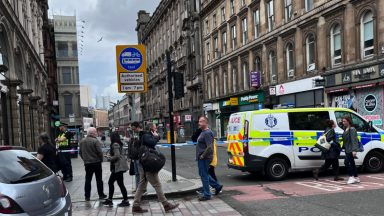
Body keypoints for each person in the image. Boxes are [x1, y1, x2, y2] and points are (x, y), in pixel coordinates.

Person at [131, 121, 179, 213]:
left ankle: (135, 205)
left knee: (142, 185)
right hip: (149, 164)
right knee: (157, 184)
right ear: (151, 129)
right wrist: (157, 136)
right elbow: (152, 142)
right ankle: (166, 204)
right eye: (155, 127)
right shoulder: (146, 135)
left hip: (144, 163)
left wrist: (156, 137)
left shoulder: (144, 135)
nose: (156, 128)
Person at [196, 116, 223, 201]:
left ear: (205, 123)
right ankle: (217, 186)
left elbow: (209, 147)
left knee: (204, 175)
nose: (199, 123)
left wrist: (202, 156)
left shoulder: (207, 133)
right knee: (204, 174)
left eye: (200, 121)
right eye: (199, 121)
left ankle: (207, 194)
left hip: (205, 158)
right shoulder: (203, 132)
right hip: (202, 158)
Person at [79, 127, 107, 201]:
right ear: (91, 133)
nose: (96, 133)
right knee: (99, 179)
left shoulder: (82, 141)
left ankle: (87, 196)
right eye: (95, 132)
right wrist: (101, 160)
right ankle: (101, 194)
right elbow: (100, 152)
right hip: (96, 162)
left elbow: (80, 153)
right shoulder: (95, 141)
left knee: (88, 179)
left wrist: (84, 159)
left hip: (87, 163)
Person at [103, 132, 130, 207]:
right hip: (118, 167)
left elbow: (117, 155)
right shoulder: (118, 143)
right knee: (113, 183)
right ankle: (110, 199)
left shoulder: (115, 144)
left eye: (111, 136)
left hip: (118, 167)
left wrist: (109, 158)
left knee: (118, 183)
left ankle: (125, 200)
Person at [341, 116, 361, 184]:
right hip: (347, 149)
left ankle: (351, 177)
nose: (343, 123)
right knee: (352, 163)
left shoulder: (352, 129)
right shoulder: (345, 128)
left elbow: (354, 140)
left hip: (351, 149)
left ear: (348, 121)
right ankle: (356, 177)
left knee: (346, 162)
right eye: (343, 121)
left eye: (344, 121)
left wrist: (354, 150)